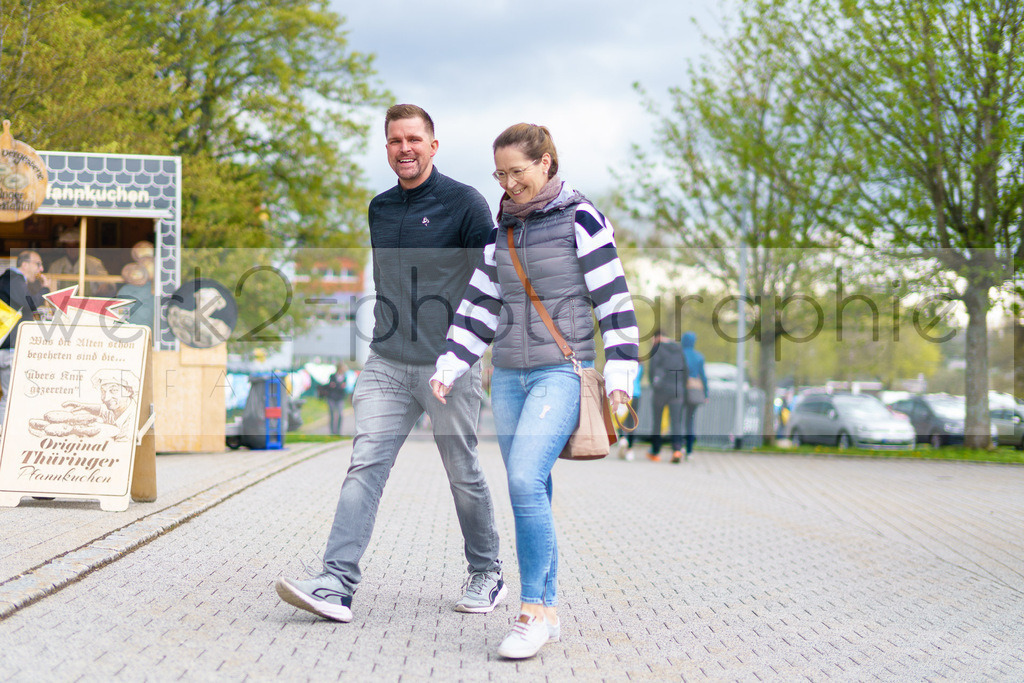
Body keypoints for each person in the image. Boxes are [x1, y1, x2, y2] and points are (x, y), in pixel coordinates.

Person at [275, 104, 505, 624]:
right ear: (387, 148)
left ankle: (486, 571)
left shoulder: (465, 204)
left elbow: (489, 283)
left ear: (433, 145)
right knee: (365, 465)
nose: (405, 148)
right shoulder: (379, 207)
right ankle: (336, 583)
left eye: (415, 139)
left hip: (448, 365)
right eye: (395, 140)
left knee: (462, 470)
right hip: (386, 361)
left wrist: (469, 351)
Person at [430, 123, 639, 660]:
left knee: (523, 476)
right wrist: (451, 364)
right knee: (534, 486)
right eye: (499, 174)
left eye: (517, 171)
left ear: (546, 162)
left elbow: (614, 303)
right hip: (510, 376)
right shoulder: (502, 229)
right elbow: (480, 302)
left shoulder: (582, 219)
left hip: (560, 372)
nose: (508, 183)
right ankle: (547, 609)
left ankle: (530, 612)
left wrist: (620, 381)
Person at [0, 251, 50, 426]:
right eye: (38, 264)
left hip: (6, 346)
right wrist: (45, 288)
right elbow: (30, 303)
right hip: (9, 347)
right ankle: (3, 435)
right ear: (25, 264)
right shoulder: (13, 280)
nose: (41, 268)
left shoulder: (9, 280)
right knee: (11, 395)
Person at [647, 329, 686, 462]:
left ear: (657, 337)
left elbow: (652, 370)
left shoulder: (657, 348)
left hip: (661, 390)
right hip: (677, 389)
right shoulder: (678, 349)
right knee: (676, 421)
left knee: (657, 421)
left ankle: (656, 452)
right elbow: (685, 369)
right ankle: (676, 450)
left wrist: (654, 384)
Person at [47, 226, 115, 296]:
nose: (72, 250)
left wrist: (106, 286)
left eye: (75, 247)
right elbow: (49, 288)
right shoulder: (56, 266)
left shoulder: (94, 264)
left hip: (88, 305)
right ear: (64, 248)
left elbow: (110, 285)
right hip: (63, 305)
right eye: (69, 247)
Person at [680, 331, 708, 460]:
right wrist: (706, 393)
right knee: (690, 421)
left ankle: (678, 447)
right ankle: (689, 450)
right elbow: (703, 376)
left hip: (680, 390)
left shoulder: (679, 355)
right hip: (694, 391)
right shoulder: (699, 357)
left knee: (678, 420)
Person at [116, 262, 155, 329]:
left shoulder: (154, 288)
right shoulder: (125, 290)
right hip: (132, 331)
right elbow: (119, 313)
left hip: (152, 331)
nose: (136, 275)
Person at [616, 363, 643, 460]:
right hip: (635, 394)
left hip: (623, 392)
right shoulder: (639, 364)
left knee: (621, 418)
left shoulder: (622, 363)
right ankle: (630, 449)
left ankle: (622, 438)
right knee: (632, 422)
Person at [323, 362, 348, 436]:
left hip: (340, 398)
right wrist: (339, 386)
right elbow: (331, 386)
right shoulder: (333, 376)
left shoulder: (344, 377)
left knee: (340, 414)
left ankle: (338, 431)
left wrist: (336, 386)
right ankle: (332, 432)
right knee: (332, 414)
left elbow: (342, 388)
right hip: (332, 397)